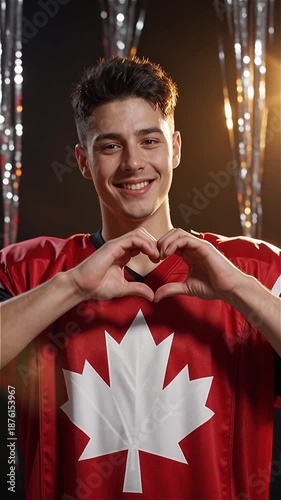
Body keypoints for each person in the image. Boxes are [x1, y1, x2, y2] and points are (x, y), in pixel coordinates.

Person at [0, 56, 280, 500]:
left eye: (149, 140)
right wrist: (72, 286)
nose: (133, 163)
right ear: (83, 161)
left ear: (177, 147)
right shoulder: (28, 270)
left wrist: (239, 291)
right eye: (110, 146)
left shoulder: (257, 269)